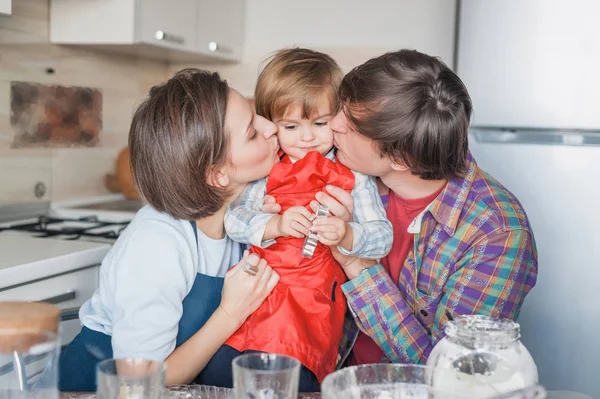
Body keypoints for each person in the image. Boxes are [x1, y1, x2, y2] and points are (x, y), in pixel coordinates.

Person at [265, 49, 539, 366]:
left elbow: (449, 370)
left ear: (400, 159)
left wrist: (354, 259)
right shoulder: (351, 174)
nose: (334, 124)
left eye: (351, 126)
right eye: (342, 108)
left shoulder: (497, 234)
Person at [58, 69, 281, 391]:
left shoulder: (239, 217)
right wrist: (231, 313)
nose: (271, 126)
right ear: (217, 174)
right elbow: (142, 384)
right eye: (252, 132)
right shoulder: (157, 245)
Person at [201, 48, 392, 391]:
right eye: (291, 126)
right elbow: (234, 220)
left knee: (295, 381)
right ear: (270, 124)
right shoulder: (266, 169)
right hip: (256, 300)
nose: (307, 138)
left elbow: (382, 237)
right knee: (218, 376)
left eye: (320, 124)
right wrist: (273, 225)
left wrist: (348, 234)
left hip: (312, 308)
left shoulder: (355, 175)